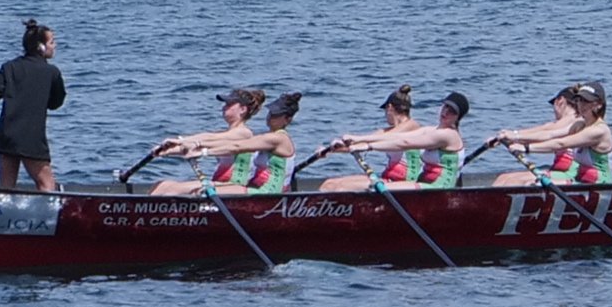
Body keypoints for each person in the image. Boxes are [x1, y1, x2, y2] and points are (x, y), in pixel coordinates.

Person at [149, 90, 300, 197]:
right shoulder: (263, 137)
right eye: (271, 113)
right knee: (164, 185)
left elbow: (234, 147)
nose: (271, 117)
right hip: (244, 187)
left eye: (276, 114)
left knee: (187, 191)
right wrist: (170, 150)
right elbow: (211, 139)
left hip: (265, 194)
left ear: (288, 119)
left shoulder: (263, 136)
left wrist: (200, 150)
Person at [0, 19, 66, 191]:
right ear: (41, 47)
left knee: (6, 188)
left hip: (6, 136)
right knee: (46, 185)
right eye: (52, 42)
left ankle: (3, 208)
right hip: (31, 138)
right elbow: (56, 103)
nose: (55, 46)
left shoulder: (9, 67)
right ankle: (48, 210)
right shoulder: (52, 72)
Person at [335, 92, 470, 190]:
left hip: (439, 189)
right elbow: (397, 137)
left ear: (458, 117)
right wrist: (358, 139)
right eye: (445, 106)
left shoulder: (448, 135)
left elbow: (405, 143)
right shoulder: (432, 130)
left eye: (452, 111)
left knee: (376, 189)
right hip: (425, 184)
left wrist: (368, 147)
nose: (446, 112)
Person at [495, 82, 612, 186]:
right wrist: (514, 136)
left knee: (531, 184)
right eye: (579, 100)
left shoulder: (599, 131)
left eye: (587, 101)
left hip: (599, 185)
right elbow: (550, 135)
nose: (581, 105)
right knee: (508, 180)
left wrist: (526, 148)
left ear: (598, 105)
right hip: (580, 180)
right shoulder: (579, 125)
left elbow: (561, 143)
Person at [319, 85, 423, 192]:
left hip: (405, 183)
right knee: (329, 184)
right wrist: (331, 149)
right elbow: (362, 144)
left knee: (339, 188)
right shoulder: (387, 131)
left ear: (389, 107)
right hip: (389, 178)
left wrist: (356, 139)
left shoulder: (412, 125)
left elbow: (387, 138)